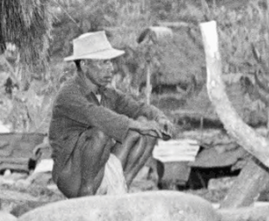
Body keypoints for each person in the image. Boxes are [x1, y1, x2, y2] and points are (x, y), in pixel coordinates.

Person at [48, 31, 175, 198]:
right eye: (103, 63)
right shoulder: (69, 93)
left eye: (110, 62)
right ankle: (86, 194)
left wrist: (160, 118)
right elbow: (97, 115)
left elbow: (138, 107)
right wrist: (139, 126)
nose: (111, 68)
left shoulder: (107, 93)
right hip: (70, 175)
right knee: (100, 132)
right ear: (85, 65)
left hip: (99, 169)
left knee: (147, 128)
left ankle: (122, 186)